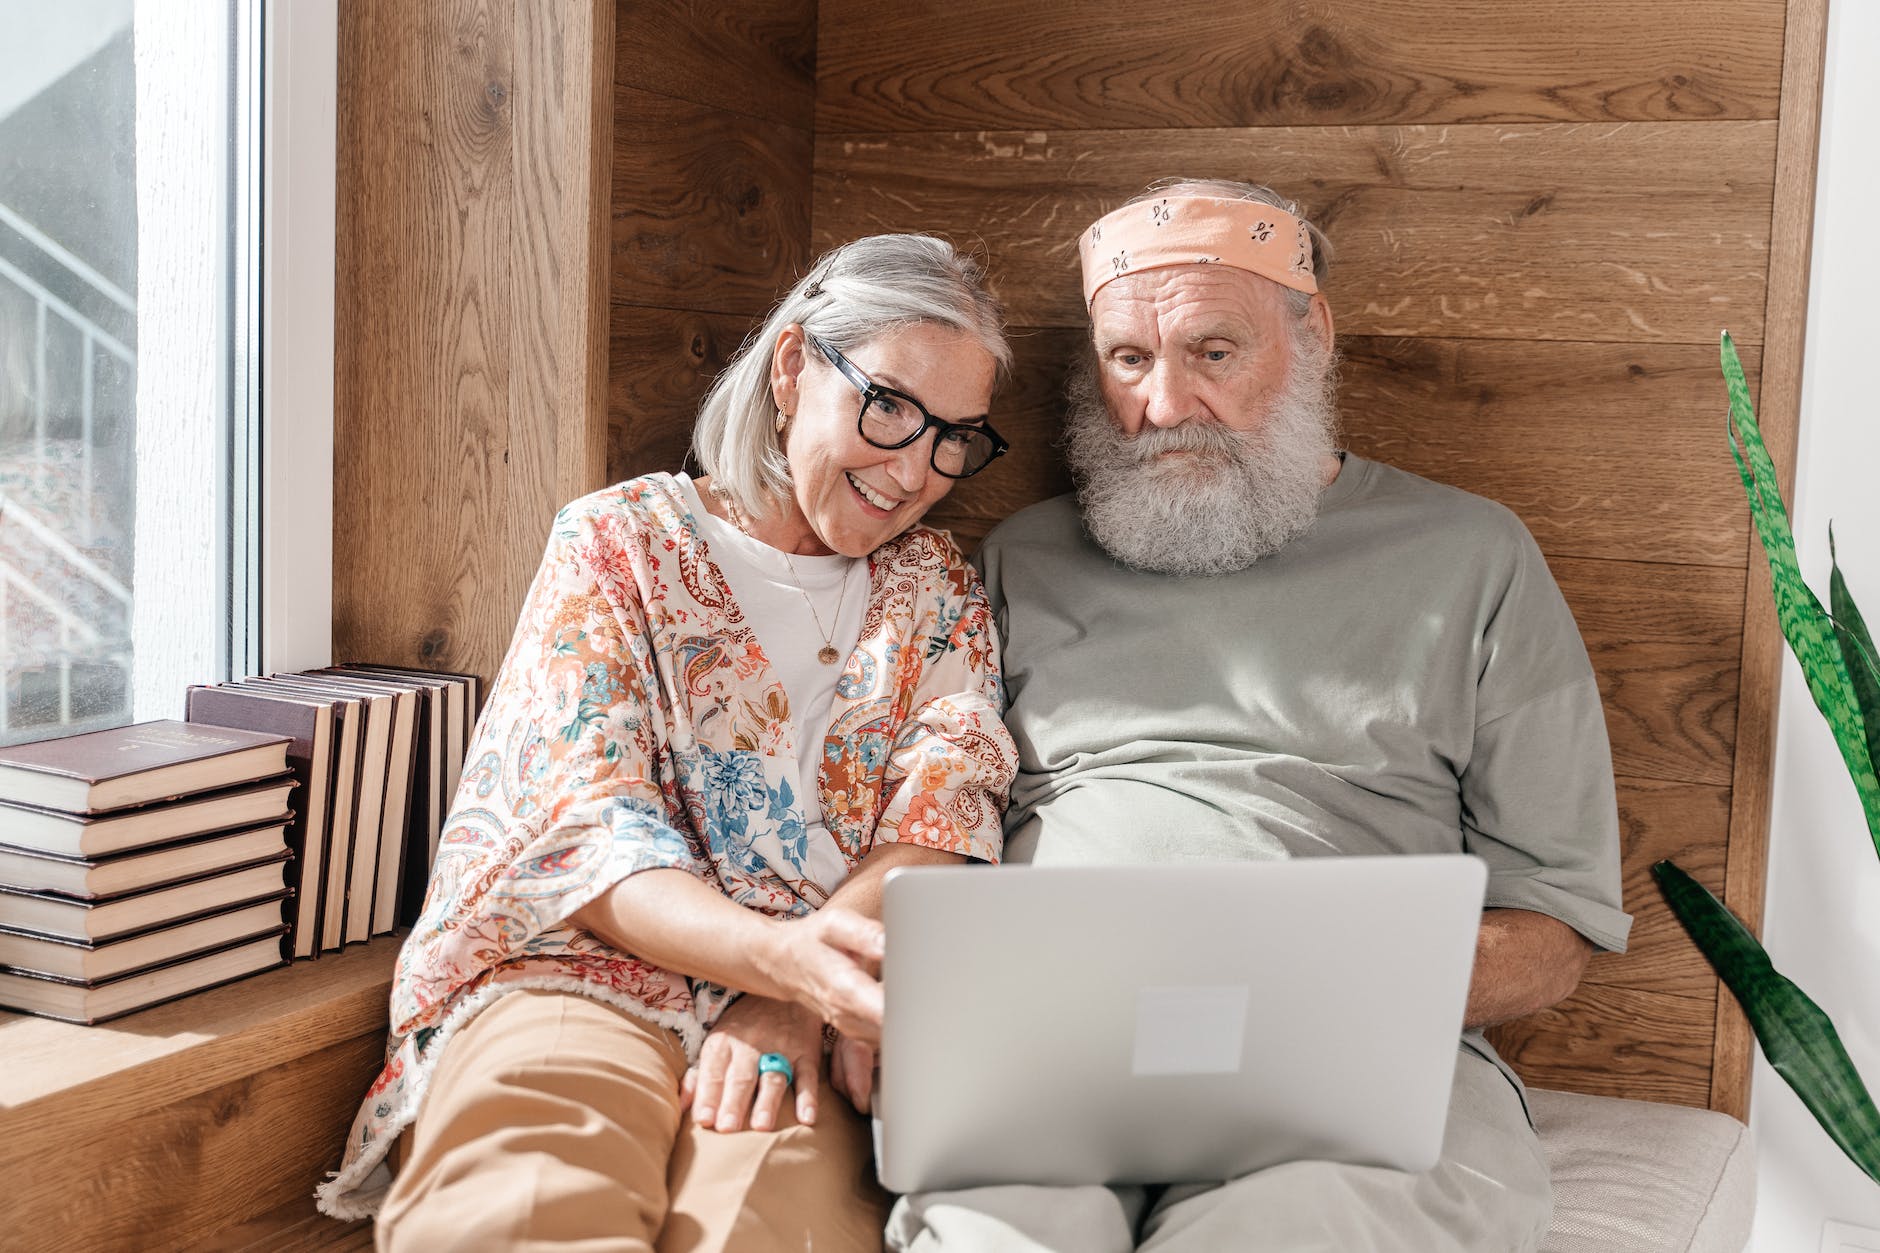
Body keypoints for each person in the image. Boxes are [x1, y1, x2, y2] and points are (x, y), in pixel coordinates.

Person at [884, 181, 1632, 1253]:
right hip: (1065, 1045)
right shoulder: (1015, 560)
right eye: (1128, 361)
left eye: (1213, 352)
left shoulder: (1471, 556)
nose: (1163, 405)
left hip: (1350, 1063)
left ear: (1310, 333)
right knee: (997, 1229)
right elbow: (926, 832)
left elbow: (1552, 936)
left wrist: (1308, 986)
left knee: (1280, 1228)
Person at [315, 233, 1021, 1253]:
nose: (915, 467)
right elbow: (581, 825)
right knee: (525, 1188)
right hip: (584, 967)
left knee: (762, 1215)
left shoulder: (938, 588)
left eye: (955, 435)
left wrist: (800, 997)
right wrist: (778, 961)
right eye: (890, 407)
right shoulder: (617, 541)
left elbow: (942, 815)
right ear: (792, 369)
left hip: (813, 1017)